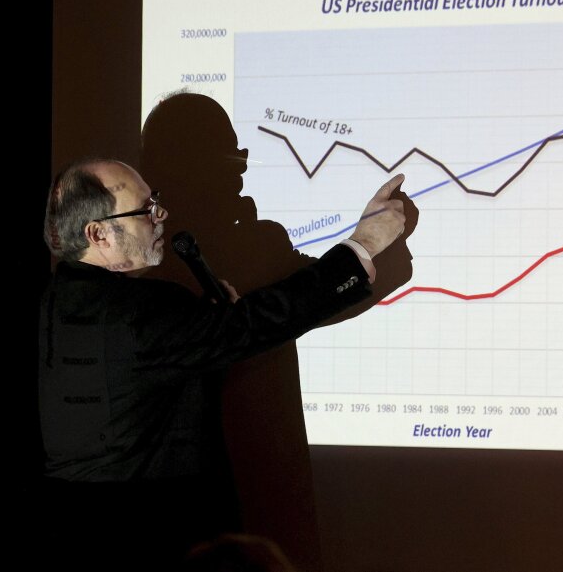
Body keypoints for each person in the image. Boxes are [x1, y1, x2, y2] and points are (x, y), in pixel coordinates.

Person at [37, 158, 405, 565]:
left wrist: (210, 327)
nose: (161, 215)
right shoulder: (140, 313)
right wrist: (362, 245)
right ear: (98, 234)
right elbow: (256, 324)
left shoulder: (60, 298)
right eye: (145, 210)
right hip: (151, 538)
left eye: (155, 201)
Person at [140, 92, 417, 572]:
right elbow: (328, 296)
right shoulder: (251, 246)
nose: (241, 172)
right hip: (258, 496)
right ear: (194, 168)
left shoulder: (131, 264)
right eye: (231, 159)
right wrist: (382, 244)